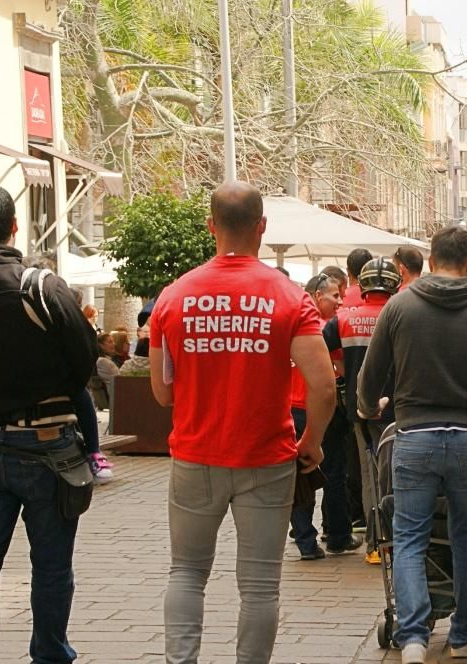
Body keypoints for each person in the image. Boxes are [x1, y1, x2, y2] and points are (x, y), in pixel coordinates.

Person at [148, 181, 336, 664]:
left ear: (211, 226)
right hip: (266, 457)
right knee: (258, 585)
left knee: (186, 572)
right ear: (262, 227)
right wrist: (312, 440)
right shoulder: (290, 298)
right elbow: (323, 385)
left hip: (194, 454)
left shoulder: (173, 297)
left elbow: (162, 392)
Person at [357, 227, 467, 663]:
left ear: (431, 257)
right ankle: (465, 635)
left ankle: (412, 639)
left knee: (408, 538)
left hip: (413, 436)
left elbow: (371, 375)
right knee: (466, 536)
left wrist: (370, 406)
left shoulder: (400, 306)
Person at [0, 182, 97, 663]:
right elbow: (85, 356)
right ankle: (49, 652)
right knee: (51, 561)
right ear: (12, 227)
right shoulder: (39, 287)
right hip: (49, 445)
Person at [323, 256, 401, 565]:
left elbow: (317, 345)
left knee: (370, 476)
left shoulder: (344, 318)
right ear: (394, 285)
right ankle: (394, 540)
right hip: (398, 409)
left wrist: (340, 369)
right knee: (395, 476)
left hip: (359, 410)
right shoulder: (400, 315)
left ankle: (374, 543)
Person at [288, 273, 361, 560]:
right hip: (321, 411)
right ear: (318, 297)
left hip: (292, 410)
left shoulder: (289, 325)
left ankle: (306, 541)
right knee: (333, 473)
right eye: (335, 296)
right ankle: (338, 536)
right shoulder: (322, 329)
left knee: (300, 476)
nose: (340, 301)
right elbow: (340, 371)